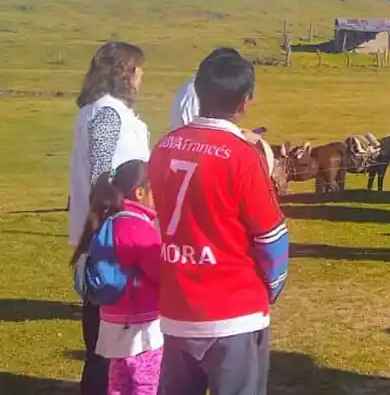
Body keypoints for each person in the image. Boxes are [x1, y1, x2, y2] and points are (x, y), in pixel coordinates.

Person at [150, 48, 289, 395]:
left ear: (197, 91)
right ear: (245, 101)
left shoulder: (164, 147)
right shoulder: (242, 156)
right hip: (234, 313)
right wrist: (271, 288)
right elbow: (271, 237)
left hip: (177, 309)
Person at [70, 41, 152, 395]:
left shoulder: (103, 111)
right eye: (137, 68)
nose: (142, 76)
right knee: (109, 340)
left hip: (111, 232)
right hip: (113, 238)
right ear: (124, 73)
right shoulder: (107, 113)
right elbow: (103, 177)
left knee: (108, 337)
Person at [71, 159, 163, 395]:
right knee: (145, 382)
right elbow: (160, 273)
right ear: (140, 192)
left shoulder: (109, 220)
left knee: (119, 382)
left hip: (112, 319)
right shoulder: (138, 228)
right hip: (140, 324)